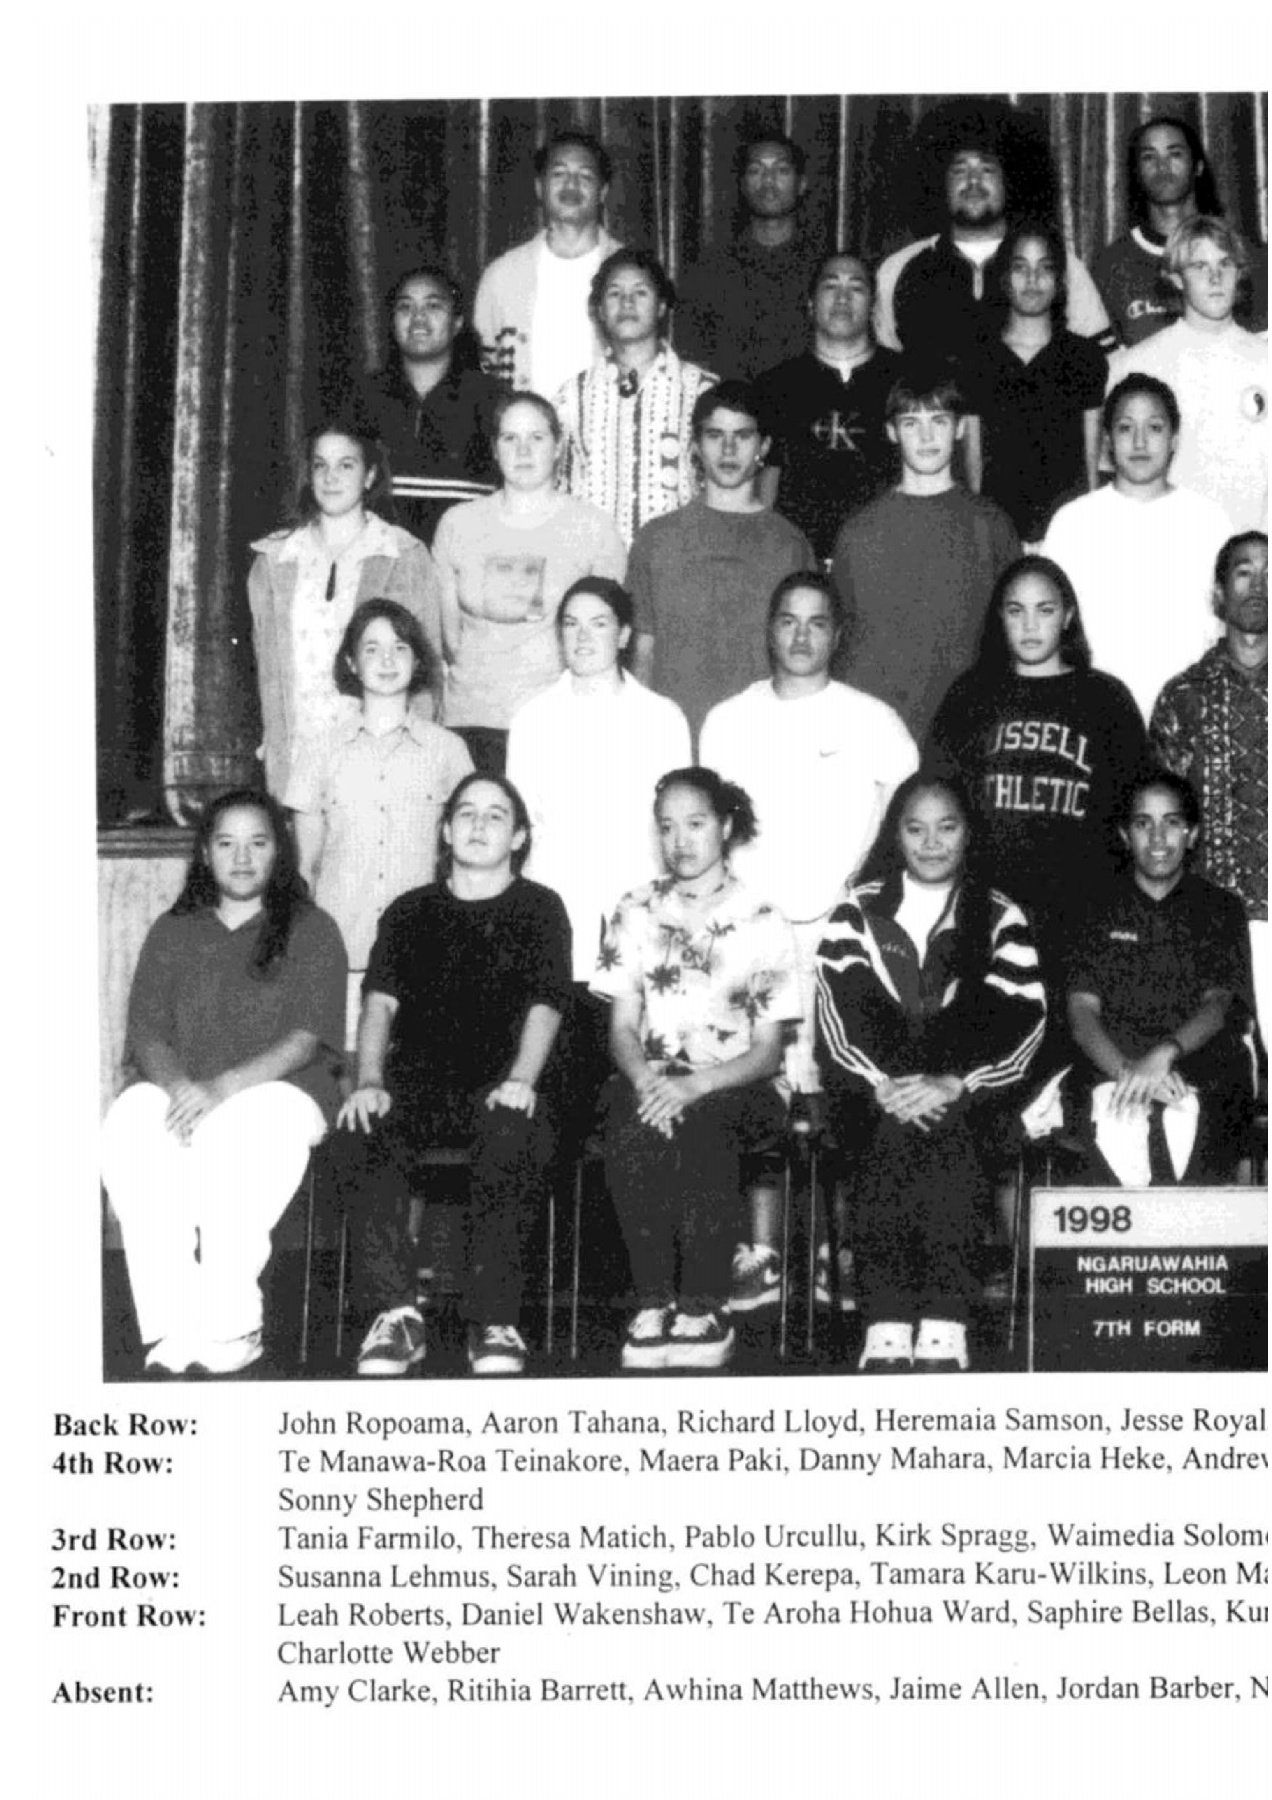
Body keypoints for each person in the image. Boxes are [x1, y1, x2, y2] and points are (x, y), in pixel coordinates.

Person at [700, 571, 918, 1308]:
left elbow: (905, 820)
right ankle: (761, 1253)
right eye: (788, 620)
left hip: (842, 930)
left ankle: (839, 1250)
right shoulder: (728, 720)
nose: (801, 636)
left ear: (837, 634)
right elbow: (715, 831)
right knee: (757, 1083)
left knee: (843, 1086)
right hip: (752, 931)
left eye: (817, 622)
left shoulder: (874, 720)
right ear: (769, 629)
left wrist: (863, 900)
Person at [100, 791, 346, 1376]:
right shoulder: (173, 929)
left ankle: (232, 1326)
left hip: (279, 1092)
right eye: (226, 843)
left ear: (278, 852)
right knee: (130, 1125)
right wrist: (182, 1088)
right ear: (205, 853)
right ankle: (174, 1325)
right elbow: (146, 1030)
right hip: (182, 1086)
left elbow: (307, 1038)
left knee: (238, 1137)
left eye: (257, 843)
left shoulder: (312, 928)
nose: (241, 857)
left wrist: (220, 1090)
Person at [335, 773, 572, 1378]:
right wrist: (369, 1081)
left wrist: (522, 1079)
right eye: (466, 813)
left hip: (503, 1084)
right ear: (445, 830)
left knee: (513, 1130)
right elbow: (379, 1004)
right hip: (418, 1085)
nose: (479, 824)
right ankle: (396, 1315)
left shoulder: (541, 908)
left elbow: (546, 1005)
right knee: (361, 1128)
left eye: (496, 815)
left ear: (518, 836)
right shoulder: (410, 911)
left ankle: (493, 1321)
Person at [815, 773, 1046, 1372]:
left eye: (947, 827)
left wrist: (957, 1083)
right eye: (915, 829)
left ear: (969, 832)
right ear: (896, 834)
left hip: (968, 1092)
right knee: (889, 1133)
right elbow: (837, 1017)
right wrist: (884, 1087)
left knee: (949, 1128)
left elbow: (1023, 1022)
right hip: (871, 1090)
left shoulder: (999, 914)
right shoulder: (857, 910)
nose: (932, 843)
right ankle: (885, 1320)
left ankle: (946, 1319)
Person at [591, 768, 800, 1371]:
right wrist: (648, 1083)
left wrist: (694, 1085)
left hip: (738, 1083)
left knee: (705, 1122)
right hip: (653, 1077)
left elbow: (767, 1051)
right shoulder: (634, 908)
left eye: (696, 823)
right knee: (630, 1118)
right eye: (667, 827)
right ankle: (653, 1303)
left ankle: (704, 1306)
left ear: (726, 826)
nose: (680, 841)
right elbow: (622, 1028)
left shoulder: (763, 917)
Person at [507, 578, 691, 1120]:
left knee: (636, 1097)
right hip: (559, 925)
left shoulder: (662, 717)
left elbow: (674, 831)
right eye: (571, 624)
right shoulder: (533, 719)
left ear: (625, 634)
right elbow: (525, 828)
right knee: (562, 1093)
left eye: (599, 623)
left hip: (640, 928)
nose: (583, 637)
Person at [927, 555, 1147, 976]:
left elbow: (1134, 811)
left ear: (1068, 616)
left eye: (1044, 610)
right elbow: (936, 798)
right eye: (1016, 611)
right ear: (1000, 617)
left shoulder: (1105, 699)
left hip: (1082, 914)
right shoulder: (970, 696)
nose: (1030, 626)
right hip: (985, 910)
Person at [285, 600, 474, 1047]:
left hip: (425, 956)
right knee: (346, 1075)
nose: (387, 660)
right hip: (340, 957)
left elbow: (467, 863)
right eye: (372, 648)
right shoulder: (318, 752)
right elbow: (305, 869)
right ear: (352, 662)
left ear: (417, 660)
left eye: (400, 647)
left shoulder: (449, 752)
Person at [1066, 770, 1252, 1186]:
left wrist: (1163, 1056)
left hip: (1195, 1060)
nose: (1157, 838)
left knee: (1201, 1132)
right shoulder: (1092, 907)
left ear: (1192, 833)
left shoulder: (1220, 909)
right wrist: (1128, 1074)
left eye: (1171, 822)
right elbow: (1081, 1012)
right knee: (1105, 1131)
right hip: (1111, 1061)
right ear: (1124, 834)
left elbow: (1218, 1005)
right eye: (1142, 823)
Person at [429, 391, 626, 772]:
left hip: (558, 723)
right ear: (494, 448)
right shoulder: (457, 524)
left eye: (536, 438)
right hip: (469, 720)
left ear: (558, 447)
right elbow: (449, 639)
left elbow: (603, 637)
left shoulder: (594, 528)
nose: (523, 451)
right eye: (510, 438)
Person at [248, 418, 440, 798]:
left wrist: (413, 757)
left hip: (377, 759)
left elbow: (426, 671)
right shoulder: (274, 559)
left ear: (369, 476)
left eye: (346, 465)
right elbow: (266, 673)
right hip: (298, 757)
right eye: (320, 465)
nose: (330, 477)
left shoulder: (404, 554)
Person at [830, 365, 1019, 740]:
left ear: (960, 427)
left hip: (968, 732)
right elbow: (843, 647)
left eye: (939, 420)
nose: (927, 436)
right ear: (891, 432)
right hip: (877, 734)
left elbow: (1011, 645)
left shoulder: (993, 527)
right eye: (911, 423)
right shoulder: (858, 532)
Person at [626, 380, 813, 741]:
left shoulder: (789, 545)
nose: (728, 449)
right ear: (695, 446)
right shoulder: (656, 539)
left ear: (764, 446)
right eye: (715, 435)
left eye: (743, 436)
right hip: (674, 738)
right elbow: (643, 651)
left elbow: (805, 662)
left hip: (764, 737)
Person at [1043, 373, 1232, 722]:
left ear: (1174, 439)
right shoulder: (1071, 524)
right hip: (1092, 716)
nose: (1140, 442)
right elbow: (1051, 633)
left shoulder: (1210, 521)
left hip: (1189, 719)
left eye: (1154, 428)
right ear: (1107, 440)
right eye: (1126, 428)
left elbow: (1225, 630)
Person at [874, 101, 1110, 363]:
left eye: (987, 170)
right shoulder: (898, 271)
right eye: (960, 170)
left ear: (1011, 179)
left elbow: (1104, 367)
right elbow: (883, 372)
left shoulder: (1059, 267)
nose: (973, 181)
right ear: (939, 181)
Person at [1150, 532, 1268, 1030]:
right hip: (1206, 927)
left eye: (1269, 574)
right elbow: (1158, 824)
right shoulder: (1182, 698)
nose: (1259, 585)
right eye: (1244, 572)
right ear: (1219, 595)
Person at [1108, 216, 1268, 533]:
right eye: (1199, 266)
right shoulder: (1137, 366)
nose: (1215, 277)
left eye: (1225, 264)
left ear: (1240, 273)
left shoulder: (1265, 360)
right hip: (1172, 543)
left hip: (1256, 548)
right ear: (1177, 279)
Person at [555, 248, 717, 545]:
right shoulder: (571, 397)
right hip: (593, 561)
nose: (627, 302)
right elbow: (557, 491)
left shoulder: (701, 390)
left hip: (677, 558)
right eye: (615, 293)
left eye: (640, 292)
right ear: (600, 310)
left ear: (661, 307)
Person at [961, 218, 1107, 543]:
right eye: (1020, 268)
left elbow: (1091, 467)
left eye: (1045, 268)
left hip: (1067, 532)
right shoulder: (977, 360)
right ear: (1004, 278)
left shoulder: (1085, 358)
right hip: (999, 533)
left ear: (1059, 281)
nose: (1032, 279)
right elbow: (974, 468)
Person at [753, 253, 902, 563]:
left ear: (873, 306)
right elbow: (765, 484)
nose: (843, 298)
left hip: (889, 555)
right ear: (810, 303)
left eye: (856, 288)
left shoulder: (904, 380)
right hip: (798, 562)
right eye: (831, 286)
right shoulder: (775, 385)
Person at [353, 266, 502, 547]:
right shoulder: (362, 399)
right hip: (378, 564)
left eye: (433, 306)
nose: (418, 317)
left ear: (457, 322)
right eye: (405, 307)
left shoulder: (493, 401)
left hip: (465, 563)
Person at [1093, 114, 1269, 349]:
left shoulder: (1251, 257)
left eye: (1175, 154)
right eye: (1149, 157)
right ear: (1136, 172)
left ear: (1198, 166)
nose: (1162, 166)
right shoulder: (1111, 266)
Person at [473, 130, 621, 397]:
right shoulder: (502, 276)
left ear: (603, 191)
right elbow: (482, 371)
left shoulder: (629, 273)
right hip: (523, 423)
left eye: (585, 176)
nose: (571, 185)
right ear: (540, 188)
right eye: (559, 173)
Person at [675, 131, 823, 378]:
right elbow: (691, 360)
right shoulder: (710, 269)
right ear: (742, 185)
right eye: (756, 171)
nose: (768, 181)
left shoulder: (823, 270)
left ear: (801, 184)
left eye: (781, 170)